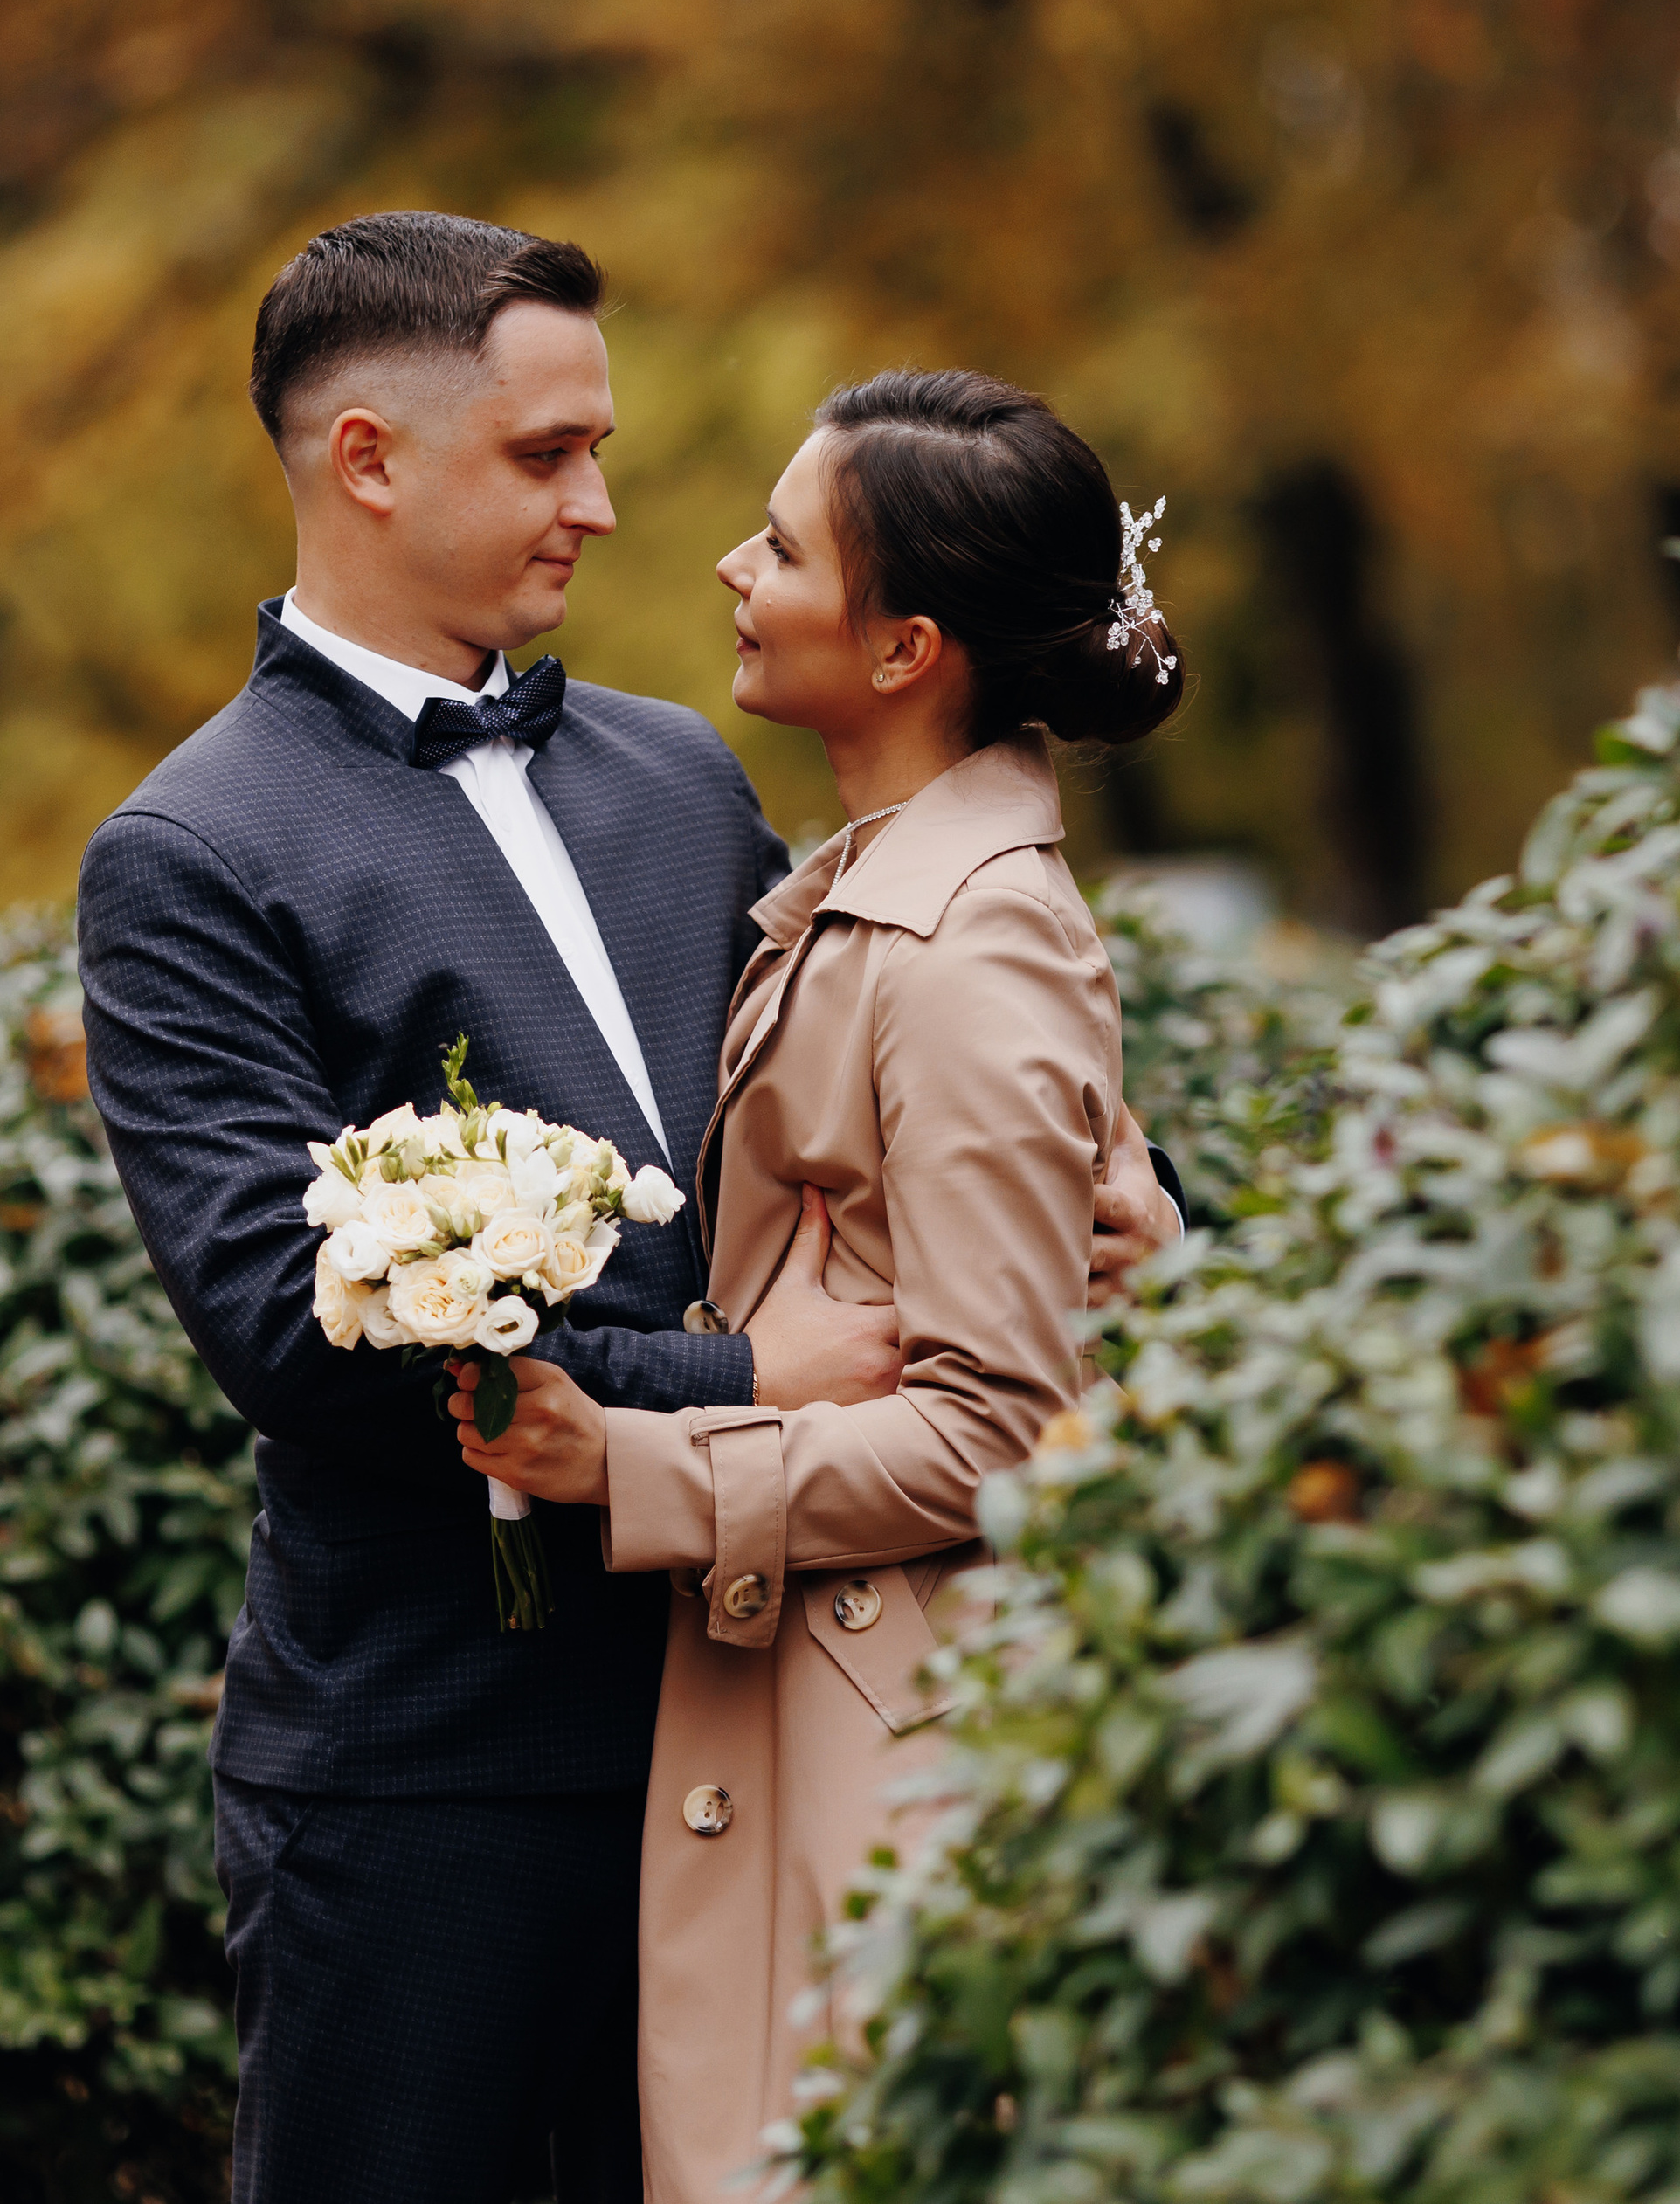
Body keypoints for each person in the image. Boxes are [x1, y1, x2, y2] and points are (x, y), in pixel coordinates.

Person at [74, 219, 1179, 2204]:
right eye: (544, 453)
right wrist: (731, 1370)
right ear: (367, 457)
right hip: (435, 1768)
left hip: (773, 1707)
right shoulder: (191, 851)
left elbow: (868, 1111)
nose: (600, 503)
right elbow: (288, 1326)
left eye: (600, 449)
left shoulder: (682, 774)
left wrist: (1134, 1205)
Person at [450, 369, 1186, 2200]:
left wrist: (634, 1463)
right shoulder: (867, 890)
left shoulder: (962, 945)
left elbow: (997, 1433)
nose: (727, 565)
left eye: (781, 548)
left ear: (902, 646)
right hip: (811, 1689)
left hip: (889, 1728)